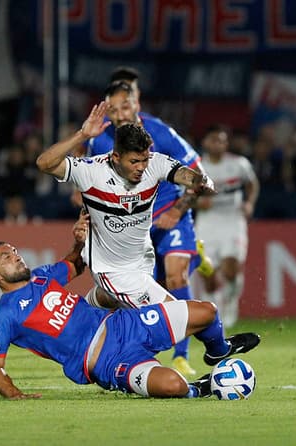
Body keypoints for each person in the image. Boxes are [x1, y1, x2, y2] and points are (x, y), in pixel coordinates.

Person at [36, 102, 257, 370]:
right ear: (115, 157)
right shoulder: (91, 171)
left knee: (120, 304)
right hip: (114, 271)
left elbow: (187, 175)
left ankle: (88, 309)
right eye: (134, 161)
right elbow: (44, 163)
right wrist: (82, 135)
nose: (142, 167)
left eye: (145, 159)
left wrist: (201, 182)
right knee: (202, 314)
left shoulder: (154, 163)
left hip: (142, 263)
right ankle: (218, 351)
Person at [0, 212, 261, 399]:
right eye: (6, 257)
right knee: (173, 385)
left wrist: (79, 241)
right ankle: (201, 388)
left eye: (14, 252)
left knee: (208, 312)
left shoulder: (41, 277)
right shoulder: (4, 315)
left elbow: (74, 266)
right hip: (105, 362)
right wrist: (16, 395)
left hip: (123, 325)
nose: (15, 257)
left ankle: (218, 351)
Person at [81, 80, 214, 376]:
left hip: (169, 213)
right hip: (133, 228)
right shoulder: (100, 139)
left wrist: (178, 211)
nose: (119, 114)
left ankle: (181, 356)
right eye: (112, 109)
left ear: (137, 104)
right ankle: (128, 355)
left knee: (176, 272)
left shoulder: (160, 132)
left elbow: (198, 173)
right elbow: (93, 186)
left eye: (125, 106)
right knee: (137, 301)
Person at [194, 124, 259, 328]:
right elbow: (184, 195)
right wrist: (197, 203)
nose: (219, 144)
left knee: (231, 269)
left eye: (222, 141)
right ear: (205, 142)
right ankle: (213, 311)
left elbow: (252, 184)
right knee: (208, 274)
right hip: (207, 222)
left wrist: (249, 203)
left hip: (232, 220)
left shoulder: (239, 164)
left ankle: (230, 303)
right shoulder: (197, 167)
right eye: (214, 140)